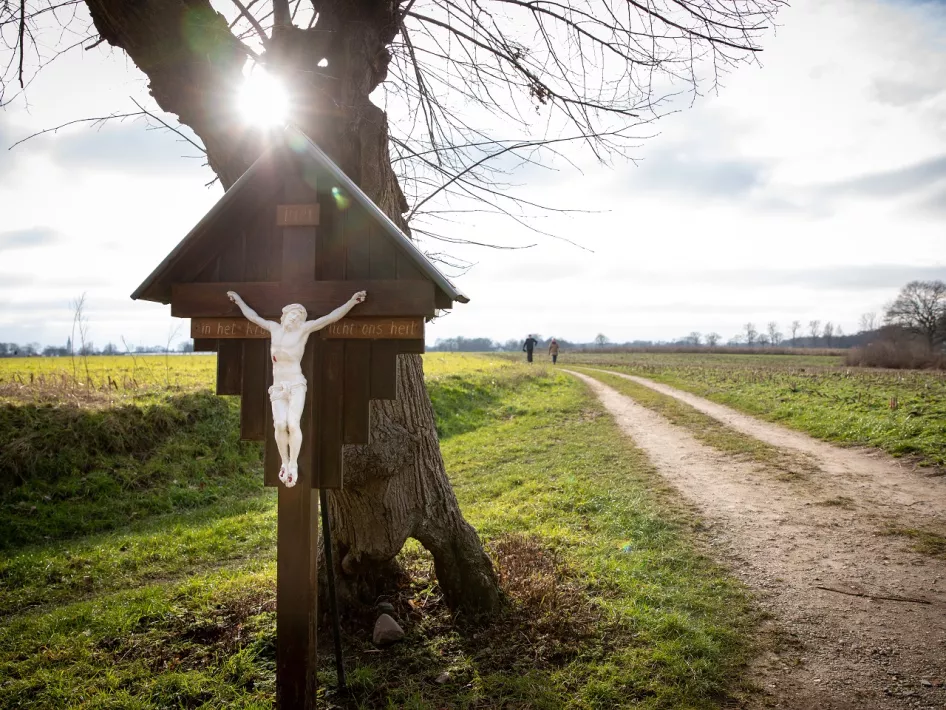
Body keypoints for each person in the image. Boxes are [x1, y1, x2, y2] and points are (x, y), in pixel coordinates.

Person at [227, 289, 367, 487]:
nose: (294, 319)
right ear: (284, 316)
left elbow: (330, 318)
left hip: (295, 384)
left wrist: (352, 301)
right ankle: (284, 462)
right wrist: (239, 300)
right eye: (292, 315)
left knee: (293, 424)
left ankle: (293, 464)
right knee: (279, 424)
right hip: (278, 386)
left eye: (298, 316)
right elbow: (253, 317)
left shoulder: (304, 330)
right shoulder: (274, 329)